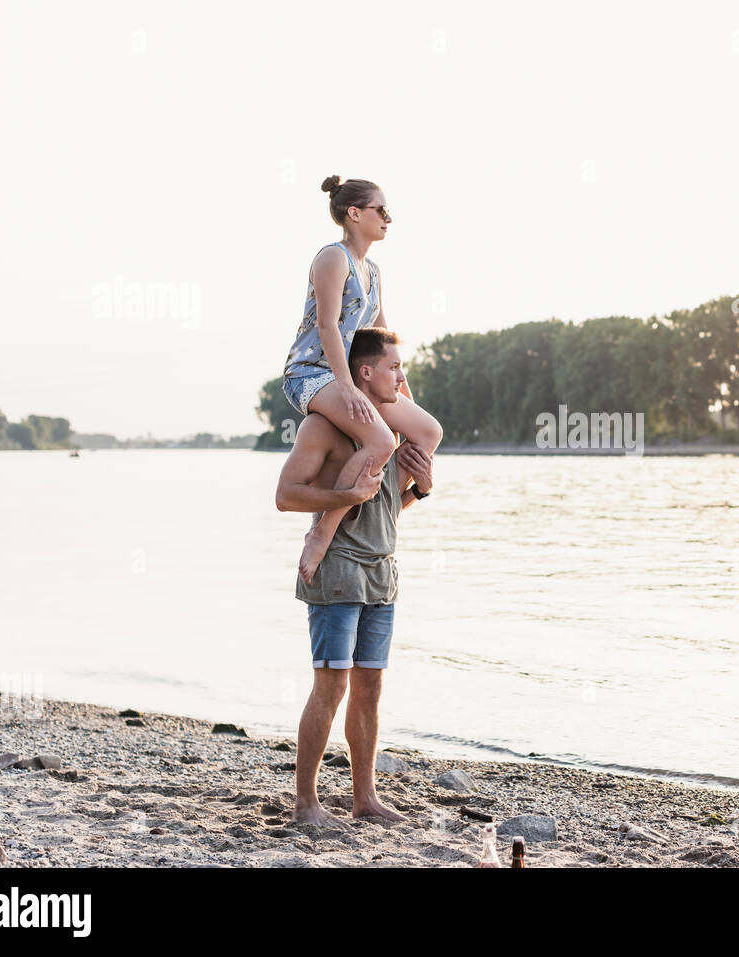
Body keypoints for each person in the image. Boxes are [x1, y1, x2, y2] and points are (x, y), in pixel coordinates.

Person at [275, 328, 436, 825]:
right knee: (331, 687)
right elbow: (286, 495)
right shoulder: (321, 427)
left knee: (370, 690)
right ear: (364, 372)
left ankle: (365, 799)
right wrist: (342, 498)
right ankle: (306, 803)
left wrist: (419, 490)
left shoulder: (391, 434)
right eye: (394, 368)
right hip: (338, 571)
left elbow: (386, 509)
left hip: (382, 573)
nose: (402, 379)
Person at [282, 174, 443, 584]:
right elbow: (326, 326)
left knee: (428, 431)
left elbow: (381, 337)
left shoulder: (372, 269)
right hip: (311, 374)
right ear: (354, 214)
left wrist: (402, 391)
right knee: (382, 440)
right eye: (380, 210)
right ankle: (322, 533)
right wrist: (347, 386)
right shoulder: (332, 259)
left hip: (352, 378)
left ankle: (390, 508)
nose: (389, 218)